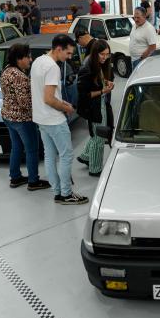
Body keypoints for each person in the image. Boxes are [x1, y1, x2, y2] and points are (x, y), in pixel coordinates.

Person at [30, 34, 87, 204]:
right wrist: (66, 107)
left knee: (49, 155)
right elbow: (48, 98)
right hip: (54, 119)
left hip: (41, 118)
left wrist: (62, 101)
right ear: (58, 49)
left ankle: (57, 191)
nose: (69, 57)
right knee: (66, 155)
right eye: (68, 54)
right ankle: (66, 194)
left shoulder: (38, 61)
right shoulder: (53, 67)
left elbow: (44, 94)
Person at [0, 44, 51, 191]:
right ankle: (33, 181)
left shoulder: (6, 71)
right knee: (32, 150)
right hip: (22, 119)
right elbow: (25, 104)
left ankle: (15, 177)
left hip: (8, 116)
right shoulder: (20, 77)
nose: (30, 59)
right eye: (27, 57)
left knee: (16, 147)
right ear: (18, 59)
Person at [76, 39, 115, 176]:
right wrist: (103, 91)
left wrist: (107, 82)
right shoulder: (87, 68)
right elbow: (84, 94)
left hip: (101, 104)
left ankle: (86, 156)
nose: (105, 57)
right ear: (95, 53)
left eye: (107, 54)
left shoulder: (98, 64)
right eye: (102, 54)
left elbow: (98, 80)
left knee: (96, 133)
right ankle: (95, 169)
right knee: (99, 136)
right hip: (93, 107)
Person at [129, 6, 157, 71]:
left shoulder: (149, 28)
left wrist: (142, 57)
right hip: (134, 59)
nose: (136, 19)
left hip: (141, 60)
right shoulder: (135, 25)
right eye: (134, 17)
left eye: (138, 17)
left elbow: (153, 47)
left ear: (144, 16)